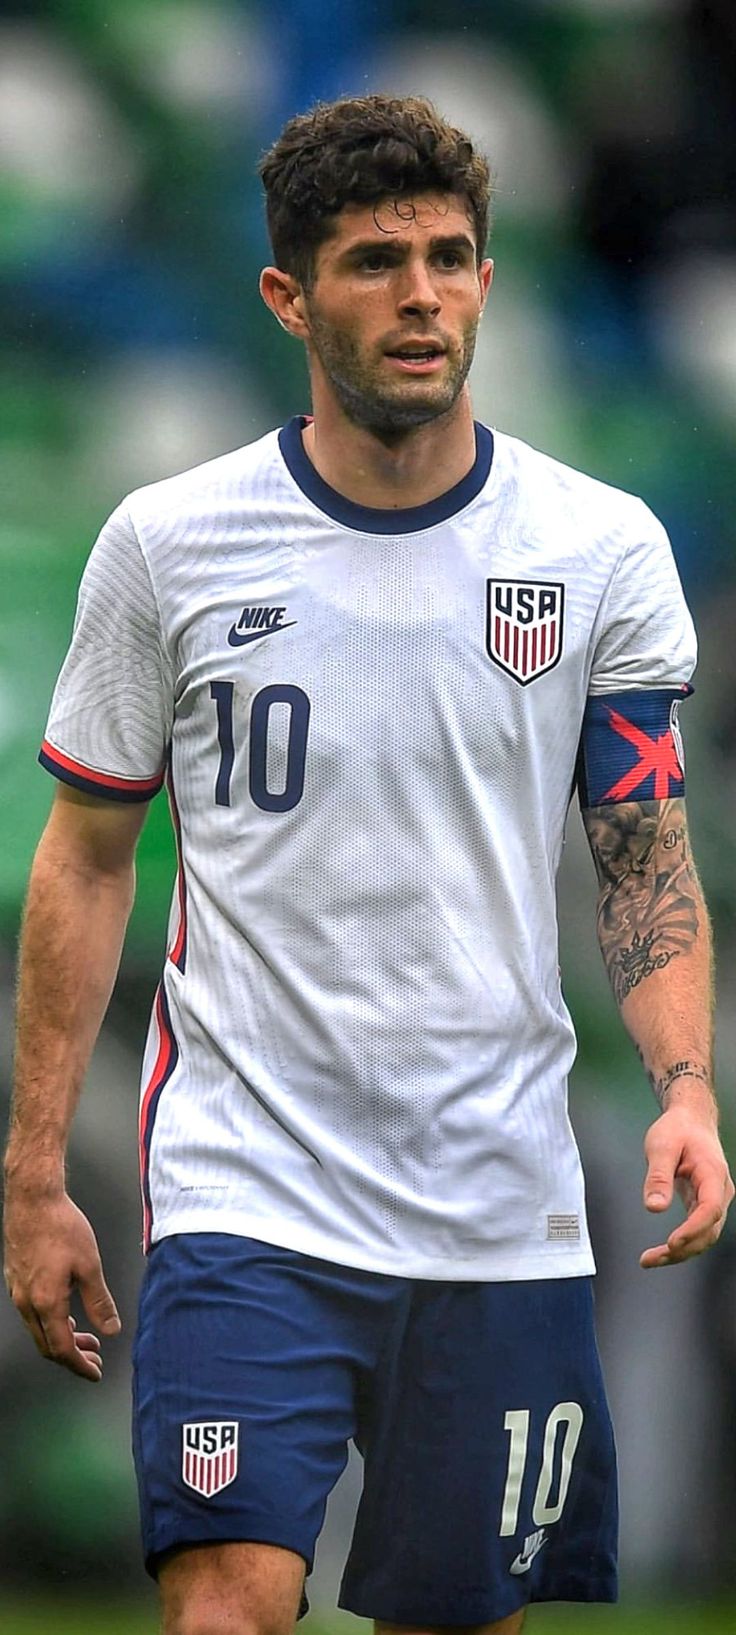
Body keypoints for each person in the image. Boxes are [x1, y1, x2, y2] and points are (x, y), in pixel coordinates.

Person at [3, 94, 733, 1635]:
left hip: (496, 1196)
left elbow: (643, 846)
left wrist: (684, 1087)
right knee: (226, 1610)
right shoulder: (169, 543)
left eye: (453, 257)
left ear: (487, 279)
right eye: (376, 260)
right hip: (242, 1183)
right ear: (288, 296)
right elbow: (83, 858)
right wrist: (30, 1171)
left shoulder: (597, 547)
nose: (422, 294)